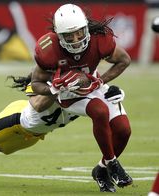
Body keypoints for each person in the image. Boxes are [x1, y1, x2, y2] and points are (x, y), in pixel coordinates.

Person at [30, 3, 132, 192]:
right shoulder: (48, 48)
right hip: (68, 94)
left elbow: (124, 60)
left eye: (79, 32)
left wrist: (100, 80)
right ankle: (112, 163)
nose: (76, 39)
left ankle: (101, 170)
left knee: (123, 130)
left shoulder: (99, 39)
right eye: (69, 35)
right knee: (99, 110)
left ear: (85, 27)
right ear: (59, 35)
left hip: (93, 84)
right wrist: (54, 89)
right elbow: (35, 83)